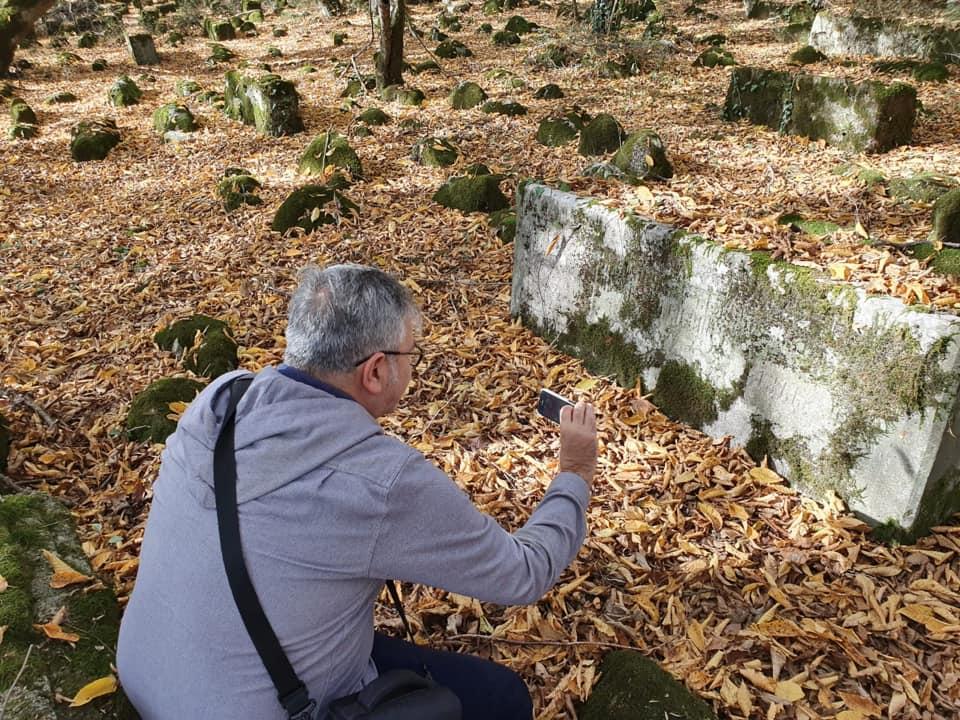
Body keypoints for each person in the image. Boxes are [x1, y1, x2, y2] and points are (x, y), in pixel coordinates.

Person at [117, 263, 597, 720]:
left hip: (151, 670)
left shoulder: (222, 399)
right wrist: (574, 469)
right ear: (374, 372)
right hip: (252, 707)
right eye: (412, 354)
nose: (414, 366)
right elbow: (523, 574)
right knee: (502, 696)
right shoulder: (382, 482)